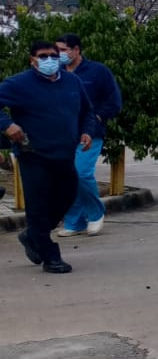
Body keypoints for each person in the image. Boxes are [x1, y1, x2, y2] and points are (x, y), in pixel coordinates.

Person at [0, 40, 94, 274]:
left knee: (68, 195)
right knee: (38, 206)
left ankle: (32, 235)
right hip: (33, 154)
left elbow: (87, 110)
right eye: (43, 56)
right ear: (32, 60)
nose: (49, 60)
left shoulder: (72, 81)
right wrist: (7, 125)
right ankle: (50, 256)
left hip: (64, 153)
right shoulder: (18, 84)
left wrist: (87, 131)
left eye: (53, 55)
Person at [56, 33, 123, 237]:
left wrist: (98, 117)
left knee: (81, 173)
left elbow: (114, 101)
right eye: (57, 50)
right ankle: (74, 222)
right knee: (68, 177)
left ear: (76, 50)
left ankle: (95, 213)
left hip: (90, 132)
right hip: (63, 133)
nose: (59, 54)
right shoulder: (56, 73)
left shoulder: (97, 71)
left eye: (63, 50)